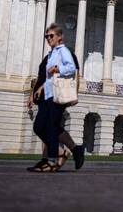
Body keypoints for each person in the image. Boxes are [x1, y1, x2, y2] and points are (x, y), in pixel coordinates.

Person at [27, 23, 80, 173]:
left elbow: (72, 69)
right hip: (47, 94)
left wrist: (58, 69)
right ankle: (60, 152)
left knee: (50, 128)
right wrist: (39, 89)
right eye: (46, 36)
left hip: (57, 95)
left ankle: (51, 161)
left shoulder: (63, 51)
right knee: (39, 127)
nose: (48, 38)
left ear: (60, 37)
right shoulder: (50, 54)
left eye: (51, 36)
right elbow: (48, 77)